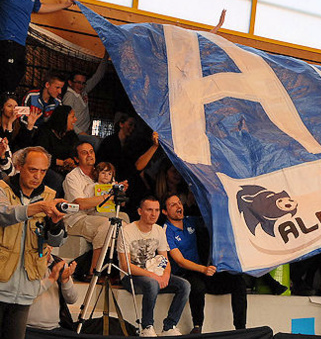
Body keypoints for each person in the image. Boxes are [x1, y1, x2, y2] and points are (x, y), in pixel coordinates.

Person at [0, 146, 67, 339]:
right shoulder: (3, 188)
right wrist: (36, 207)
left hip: (26, 290)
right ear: (19, 167)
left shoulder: (51, 196)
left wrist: (55, 225)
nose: (38, 176)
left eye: (43, 171)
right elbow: (4, 215)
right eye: (32, 169)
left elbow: (57, 241)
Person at [163, 194, 247, 334]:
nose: (178, 206)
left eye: (179, 203)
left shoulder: (190, 221)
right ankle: (197, 327)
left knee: (238, 282)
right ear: (165, 212)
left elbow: (214, 219)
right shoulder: (166, 230)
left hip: (202, 271)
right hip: (183, 274)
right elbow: (180, 261)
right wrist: (204, 269)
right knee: (197, 286)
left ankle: (241, 329)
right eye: (173, 205)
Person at [117, 196, 190, 337]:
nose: (153, 214)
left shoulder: (158, 230)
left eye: (156, 210)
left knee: (185, 285)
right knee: (152, 283)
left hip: (153, 274)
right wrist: (155, 276)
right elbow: (126, 266)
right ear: (140, 211)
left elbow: (165, 260)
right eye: (149, 210)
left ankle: (169, 326)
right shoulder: (126, 231)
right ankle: (147, 327)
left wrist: (166, 275)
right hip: (131, 277)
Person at [0, 0, 73, 93]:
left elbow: (39, 7)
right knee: (6, 79)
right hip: (6, 40)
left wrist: (64, 5)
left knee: (19, 74)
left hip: (21, 43)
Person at [63, 141, 129, 278]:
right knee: (107, 224)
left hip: (97, 214)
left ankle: (121, 269)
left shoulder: (102, 172)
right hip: (76, 219)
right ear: (76, 159)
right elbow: (80, 204)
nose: (89, 155)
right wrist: (107, 196)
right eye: (84, 152)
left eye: (91, 151)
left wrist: (119, 191)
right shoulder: (72, 177)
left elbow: (113, 198)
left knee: (124, 218)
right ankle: (94, 271)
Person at [62, 54, 110, 149]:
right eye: (78, 82)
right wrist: (81, 132)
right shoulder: (69, 96)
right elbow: (66, 118)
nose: (81, 85)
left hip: (83, 133)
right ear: (70, 82)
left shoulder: (83, 92)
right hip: (74, 134)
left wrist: (105, 56)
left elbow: (98, 76)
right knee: (95, 142)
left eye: (83, 83)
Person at [26, 253, 78, 331]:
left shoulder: (58, 263)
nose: (47, 247)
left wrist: (65, 280)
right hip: (27, 328)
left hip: (55, 328)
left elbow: (72, 299)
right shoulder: (22, 261)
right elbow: (25, 293)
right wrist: (51, 279)